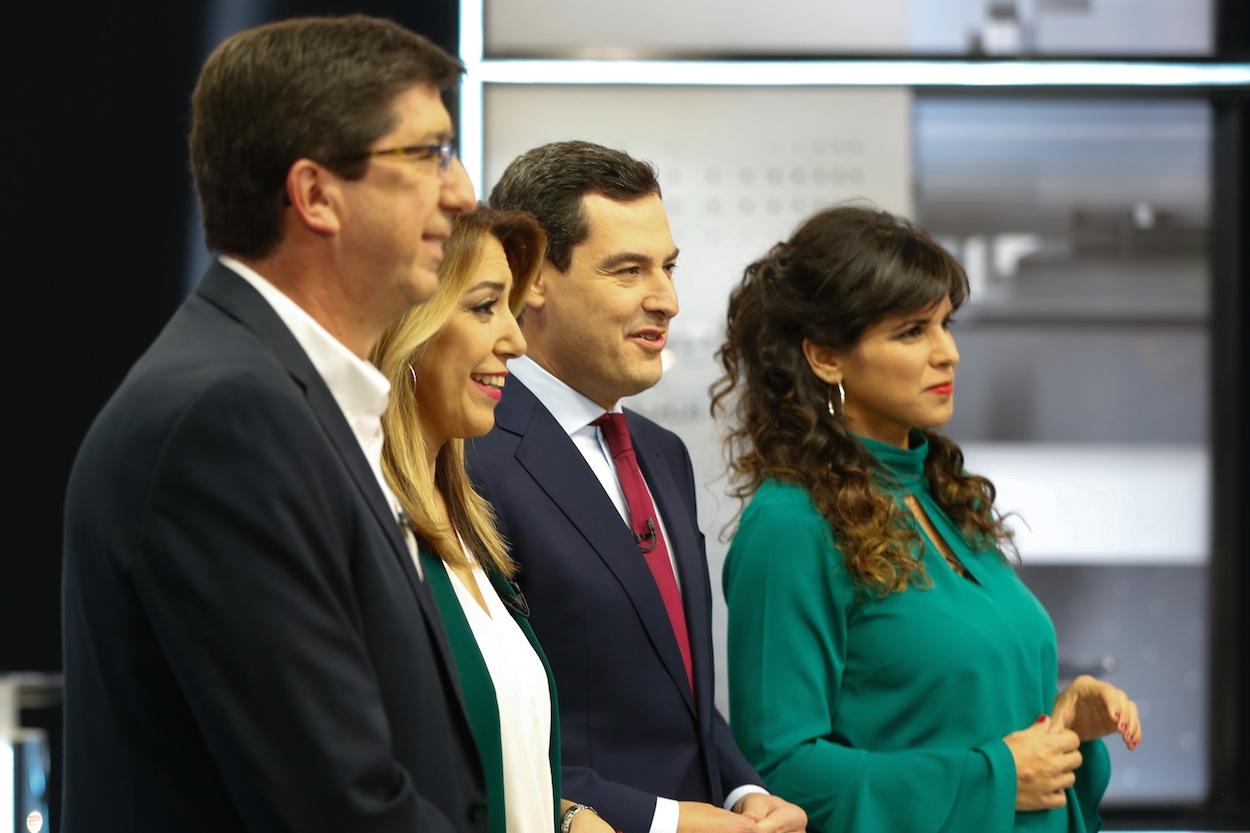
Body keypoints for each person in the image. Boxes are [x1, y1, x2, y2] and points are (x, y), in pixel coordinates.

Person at [62, 16, 485, 833]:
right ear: (316, 193)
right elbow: (337, 806)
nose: (461, 191)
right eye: (428, 153)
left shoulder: (280, 396)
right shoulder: (226, 419)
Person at [713, 204, 1142, 833]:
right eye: (912, 331)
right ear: (826, 357)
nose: (949, 353)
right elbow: (779, 774)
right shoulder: (791, 526)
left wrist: (1065, 723)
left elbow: (956, 719)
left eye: (946, 324)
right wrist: (990, 777)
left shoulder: (943, 494)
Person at [468, 140, 808, 833]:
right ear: (530, 277)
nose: (668, 301)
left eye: (669, 267)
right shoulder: (469, 457)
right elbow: (483, 724)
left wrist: (744, 791)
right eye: (629, 271)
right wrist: (664, 820)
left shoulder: (661, 453)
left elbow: (677, 691)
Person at [373, 206, 614, 833]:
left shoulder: (466, 521)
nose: (515, 339)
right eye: (484, 307)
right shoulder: (371, 525)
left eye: (510, 307)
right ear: (410, 325)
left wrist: (567, 817)